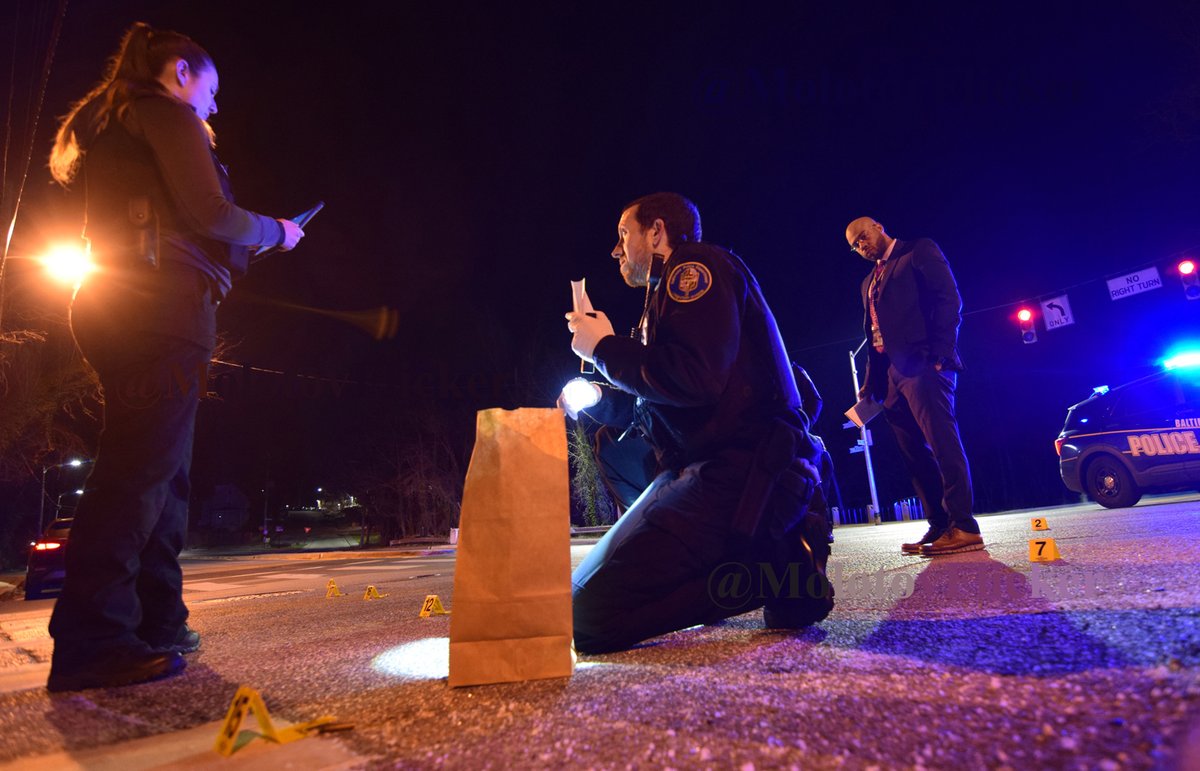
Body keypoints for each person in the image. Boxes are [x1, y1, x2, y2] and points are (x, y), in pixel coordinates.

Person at [45, 23, 304, 692]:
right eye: (210, 90)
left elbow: (187, 219)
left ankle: (157, 619)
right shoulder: (163, 114)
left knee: (163, 473)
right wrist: (278, 229)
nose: (212, 107)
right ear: (182, 73)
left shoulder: (122, 123)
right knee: (138, 472)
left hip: (126, 302)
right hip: (158, 309)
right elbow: (211, 213)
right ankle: (91, 639)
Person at [564, 192, 833, 654]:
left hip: (745, 474)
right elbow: (662, 405)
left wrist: (605, 349)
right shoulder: (662, 302)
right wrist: (597, 397)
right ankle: (778, 567)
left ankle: (770, 572)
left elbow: (694, 377)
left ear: (657, 232)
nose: (617, 250)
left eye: (624, 235)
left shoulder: (695, 266)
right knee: (572, 599)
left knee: (587, 617)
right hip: (714, 470)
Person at [845, 217, 981, 556]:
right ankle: (939, 524)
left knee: (942, 443)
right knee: (913, 455)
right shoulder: (868, 282)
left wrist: (939, 355)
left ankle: (964, 525)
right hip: (890, 377)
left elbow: (949, 300)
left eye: (862, 236)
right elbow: (874, 334)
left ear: (878, 226)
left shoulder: (917, 251)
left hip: (924, 365)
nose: (861, 246)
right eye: (854, 245)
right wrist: (870, 382)